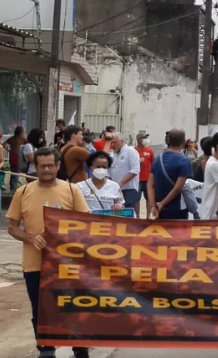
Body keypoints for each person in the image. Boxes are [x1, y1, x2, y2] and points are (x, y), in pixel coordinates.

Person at [6, 147, 91, 358]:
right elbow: (12, 227)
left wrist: (63, 234)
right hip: (35, 264)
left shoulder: (72, 190)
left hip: (67, 264)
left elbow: (86, 223)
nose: (45, 170)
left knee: (73, 308)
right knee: (40, 310)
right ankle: (46, 349)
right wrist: (30, 237)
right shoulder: (23, 192)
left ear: (58, 166)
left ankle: (80, 349)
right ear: (36, 166)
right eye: (41, 166)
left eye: (50, 165)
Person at [148, 128, 193, 220]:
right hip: (178, 208)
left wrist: (153, 206)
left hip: (159, 208)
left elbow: (150, 185)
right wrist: (162, 203)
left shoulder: (157, 159)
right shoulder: (184, 161)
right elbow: (178, 188)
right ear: (184, 142)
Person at [107, 133, 140, 211]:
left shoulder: (130, 151)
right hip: (115, 189)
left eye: (115, 142)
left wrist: (121, 183)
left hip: (129, 189)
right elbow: (109, 172)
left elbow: (135, 170)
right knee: (115, 212)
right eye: (111, 142)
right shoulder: (112, 155)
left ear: (122, 141)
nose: (112, 144)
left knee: (126, 211)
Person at [134, 131, 154, 219]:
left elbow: (153, 163)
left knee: (149, 198)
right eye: (144, 138)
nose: (146, 140)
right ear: (139, 139)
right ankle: (138, 216)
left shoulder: (149, 150)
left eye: (146, 138)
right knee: (136, 199)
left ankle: (148, 216)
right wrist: (138, 162)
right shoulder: (133, 151)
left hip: (148, 179)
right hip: (137, 179)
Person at [3, 126, 26, 191]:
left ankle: (12, 187)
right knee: (16, 173)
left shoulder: (12, 138)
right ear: (21, 132)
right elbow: (29, 145)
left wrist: (9, 150)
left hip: (12, 156)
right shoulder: (23, 139)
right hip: (18, 157)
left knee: (13, 172)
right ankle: (14, 188)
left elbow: (3, 144)